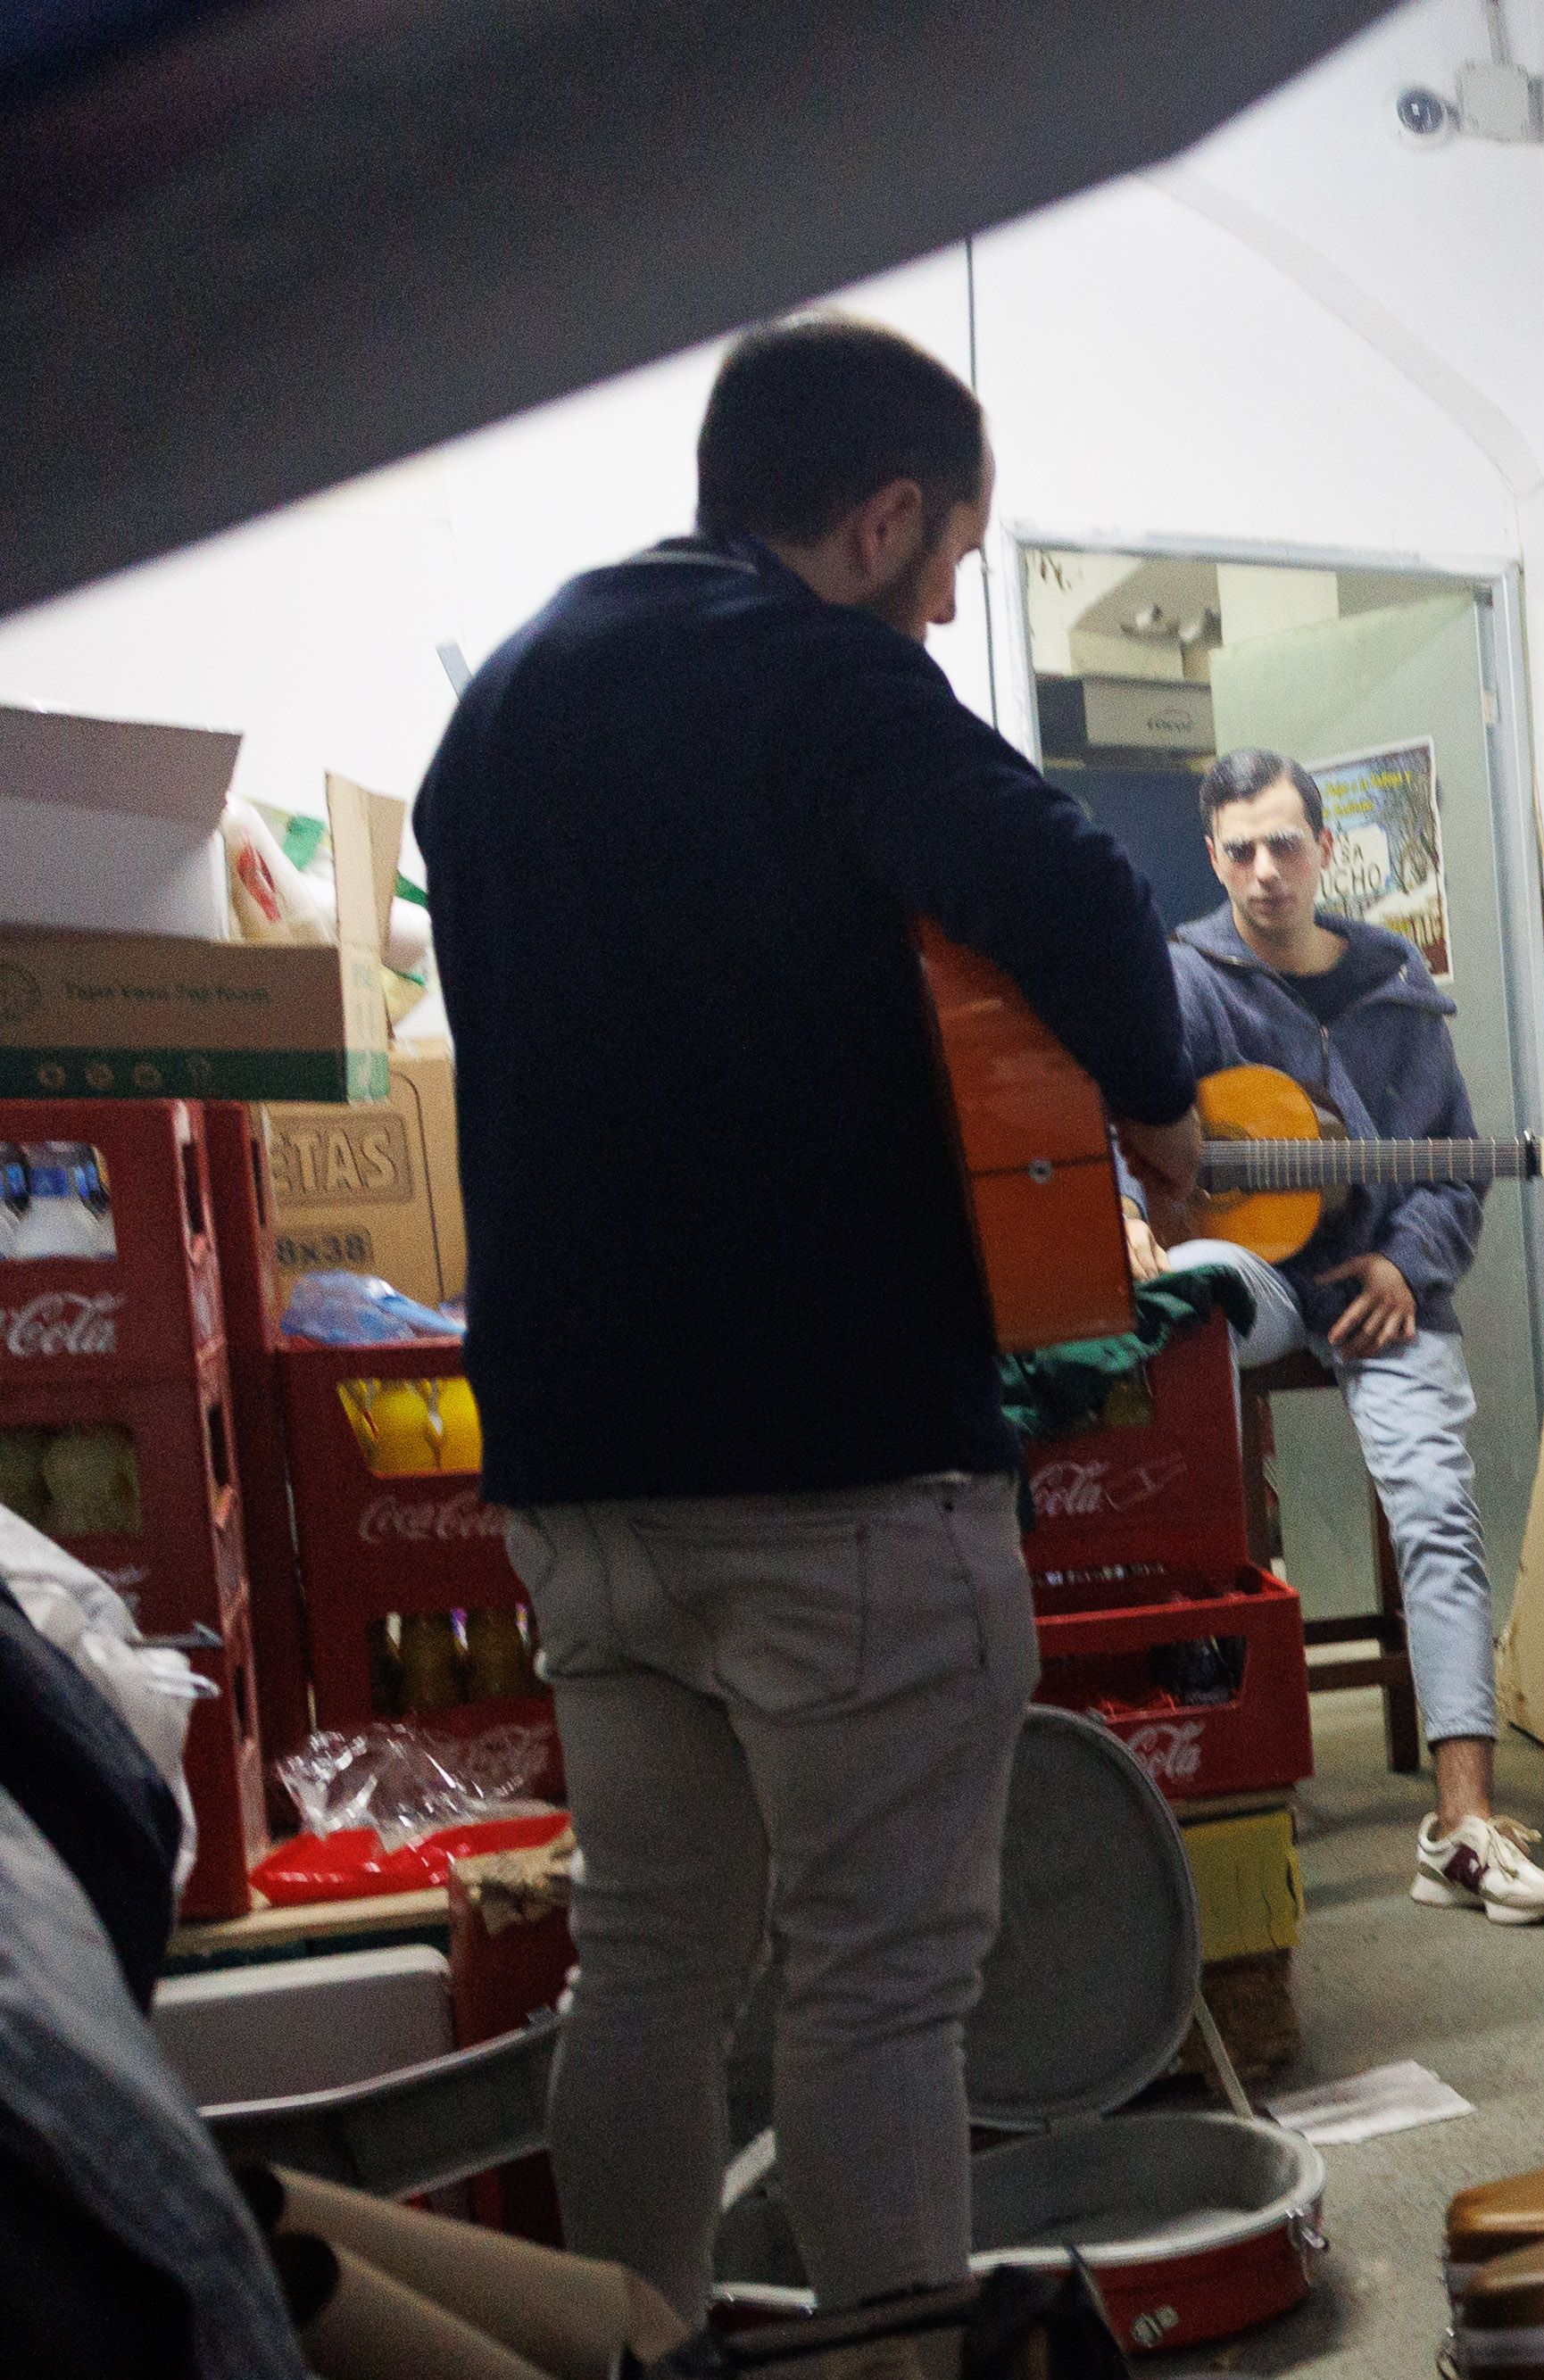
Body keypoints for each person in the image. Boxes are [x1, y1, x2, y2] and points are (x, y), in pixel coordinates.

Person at [418, 317, 1208, 2340]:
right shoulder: (822, 676)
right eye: (947, 557)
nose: (944, 599)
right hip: (838, 1462)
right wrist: (1157, 1110)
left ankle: (638, 2339)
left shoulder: (501, 698)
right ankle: (901, 2360)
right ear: (878, 517)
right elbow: (1087, 900)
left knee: (651, 1967)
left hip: (584, 1478)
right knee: (878, 1983)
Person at [1163, 746, 1544, 1926]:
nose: (1264, 870)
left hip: (1377, 1290)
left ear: (1325, 850)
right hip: (1256, 1278)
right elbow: (1123, 1127)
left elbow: (1453, 1162)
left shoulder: (1396, 982)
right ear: (1213, 859)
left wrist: (1408, 1259)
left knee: (1438, 1508)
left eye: (1285, 843)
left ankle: (1463, 1826)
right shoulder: (1184, 983)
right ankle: (1220, 1762)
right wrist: (1144, 1223)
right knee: (1187, 1293)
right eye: (1239, 849)